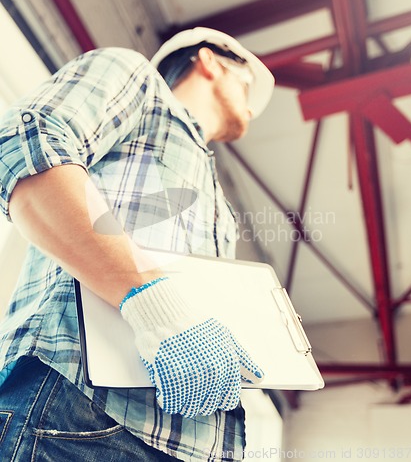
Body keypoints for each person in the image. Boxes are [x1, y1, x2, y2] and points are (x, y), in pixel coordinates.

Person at [0, 27, 274, 461]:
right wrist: (154, 307)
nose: (252, 108)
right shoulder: (138, 79)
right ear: (210, 61)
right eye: (246, 82)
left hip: (183, 443)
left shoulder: (215, 197)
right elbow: (25, 150)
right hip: (80, 416)